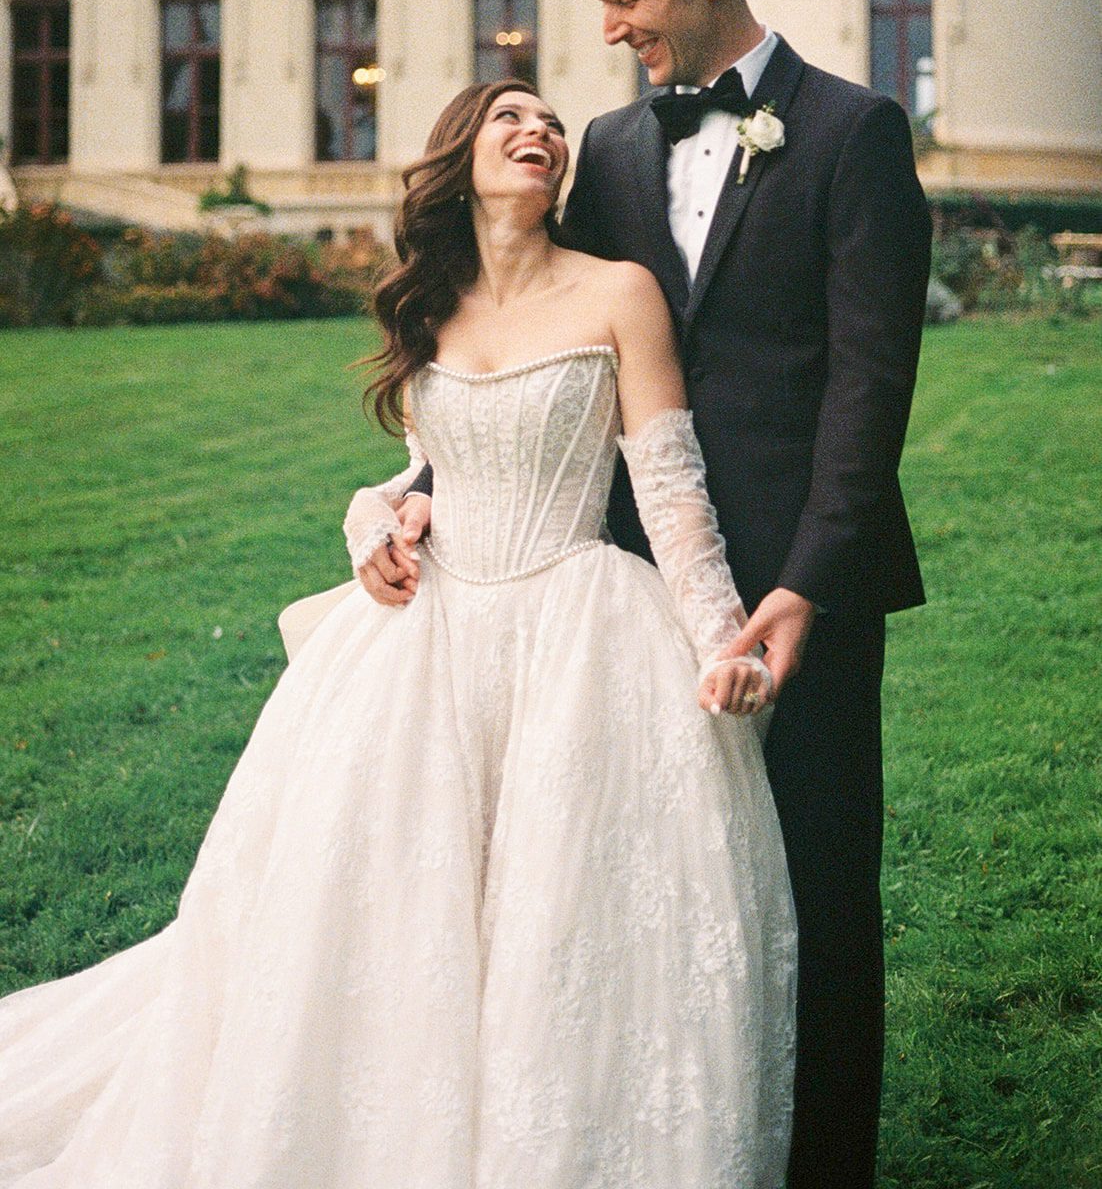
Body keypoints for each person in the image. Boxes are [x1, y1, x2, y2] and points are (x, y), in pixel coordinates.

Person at [0, 78, 797, 1188]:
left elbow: (670, 495)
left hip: (577, 628)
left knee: (553, 916)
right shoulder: (428, 309)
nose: (541, 134)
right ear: (457, 155)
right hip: (428, 637)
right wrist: (377, 517)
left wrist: (723, 642)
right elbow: (422, 472)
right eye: (510, 117)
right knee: (393, 914)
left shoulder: (620, 293)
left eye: (553, 124)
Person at [367, 0, 932, 1189]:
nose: (609, 27)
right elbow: (532, 356)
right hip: (629, 595)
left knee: (815, 879)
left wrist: (803, 582)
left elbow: (871, 388)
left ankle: (825, 1162)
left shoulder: (851, 135)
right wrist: (419, 499)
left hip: (808, 583)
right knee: (665, 887)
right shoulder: (613, 148)